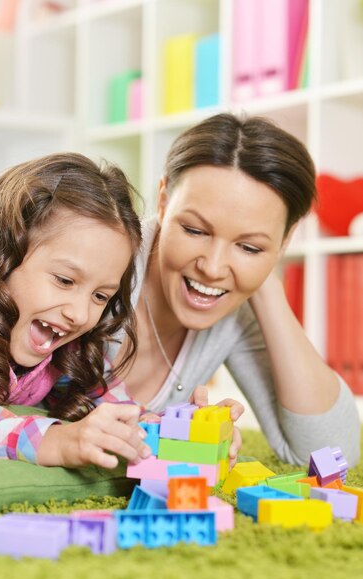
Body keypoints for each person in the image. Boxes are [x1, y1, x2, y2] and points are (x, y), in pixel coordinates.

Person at [85, 112, 360, 467]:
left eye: (249, 247)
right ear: (164, 201)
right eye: (195, 230)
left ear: (285, 241)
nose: (212, 268)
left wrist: (265, 286)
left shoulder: (237, 315)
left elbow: (332, 453)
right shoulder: (102, 261)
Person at [0, 152, 153, 469]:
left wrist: (163, 432)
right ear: (3, 252)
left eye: (100, 296)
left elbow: (112, 405)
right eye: (65, 280)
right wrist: (48, 441)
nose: (81, 315)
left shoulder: (62, 344)